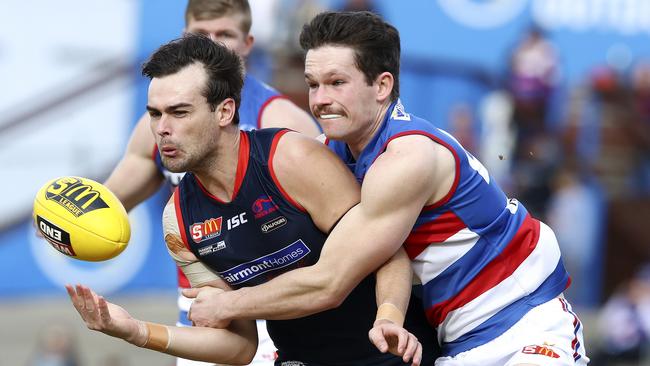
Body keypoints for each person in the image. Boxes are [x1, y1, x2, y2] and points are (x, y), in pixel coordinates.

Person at [183, 11, 590, 365]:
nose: (320, 100)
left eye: (336, 82)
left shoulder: (406, 157)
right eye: (313, 84)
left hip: (523, 325)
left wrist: (229, 303)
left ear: (381, 86)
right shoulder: (334, 152)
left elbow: (331, 281)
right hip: (456, 339)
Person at [67, 34, 433, 366]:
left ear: (224, 111)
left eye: (179, 112)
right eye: (155, 114)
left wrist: (387, 316)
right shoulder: (178, 220)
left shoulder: (290, 159)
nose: (162, 128)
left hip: (389, 355)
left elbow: (389, 254)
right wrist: (137, 332)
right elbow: (240, 345)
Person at [103, 1, 319, 365]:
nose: (215, 45)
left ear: (248, 43)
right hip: (203, 300)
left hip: (279, 307)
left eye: (226, 35)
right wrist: (71, 222)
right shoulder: (161, 123)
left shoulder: (281, 121)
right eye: (203, 35)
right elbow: (111, 203)